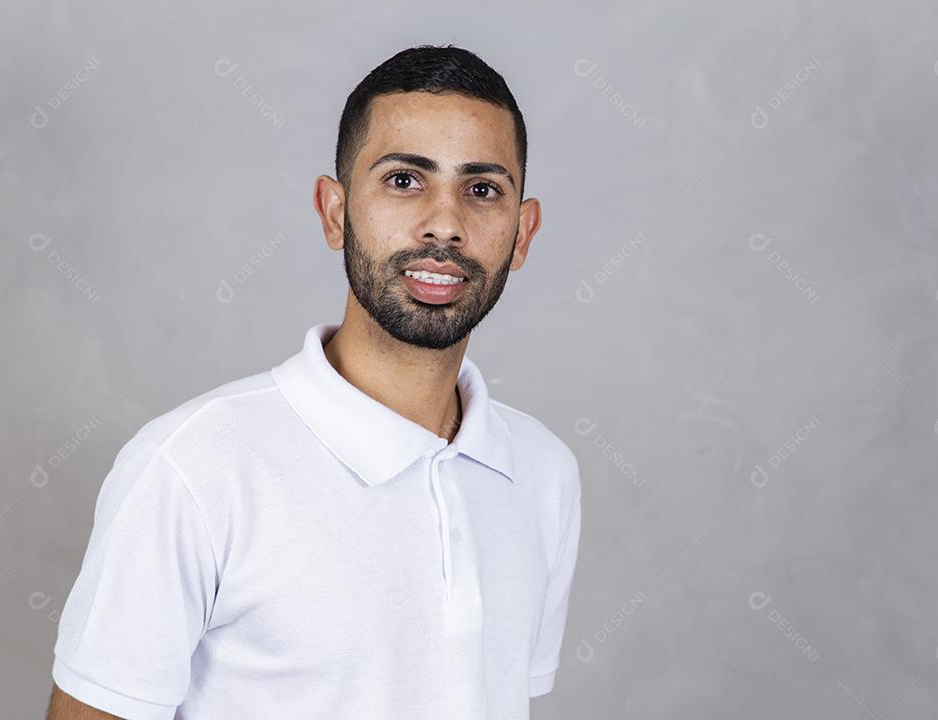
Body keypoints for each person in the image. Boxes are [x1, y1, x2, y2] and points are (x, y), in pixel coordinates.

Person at [46, 44, 582, 719]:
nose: (445, 224)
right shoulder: (191, 469)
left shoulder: (545, 473)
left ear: (523, 232)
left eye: (482, 190)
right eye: (404, 180)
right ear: (334, 212)